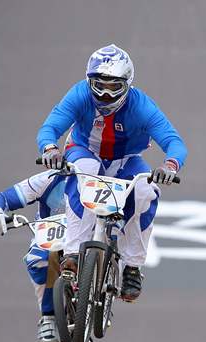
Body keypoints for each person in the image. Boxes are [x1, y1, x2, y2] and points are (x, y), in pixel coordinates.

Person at [36, 44, 187, 302]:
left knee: (146, 191)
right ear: (88, 81)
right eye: (99, 85)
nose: (105, 94)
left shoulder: (142, 106)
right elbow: (50, 128)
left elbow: (174, 142)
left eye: (114, 87)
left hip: (126, 160)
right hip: (84, 150)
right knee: (85, 171)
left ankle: (132, 267)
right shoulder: (79, 94)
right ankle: (72, 254)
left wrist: (169, 166)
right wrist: (50, 149)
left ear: (128, 84)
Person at [0, 171, 68, 342]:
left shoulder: (104, 173)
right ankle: (48, 316)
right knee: (39, 260)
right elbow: (4, 197)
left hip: (90, 237)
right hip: (53, 236)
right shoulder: (48, 179)